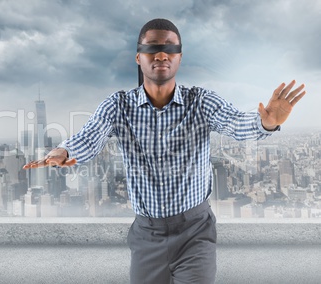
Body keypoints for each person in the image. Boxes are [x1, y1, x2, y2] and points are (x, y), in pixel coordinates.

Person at [23, 18, 306, 284]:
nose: (161, 56)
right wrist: (63, 151)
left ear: (180, 57)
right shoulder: (119, 105)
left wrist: (265, 122)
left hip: (195, 231)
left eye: (170, 49)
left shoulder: (200, 101)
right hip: (147, 234)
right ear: (139, 58)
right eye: (152, 49)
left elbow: (235, 122)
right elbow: (90, 134)